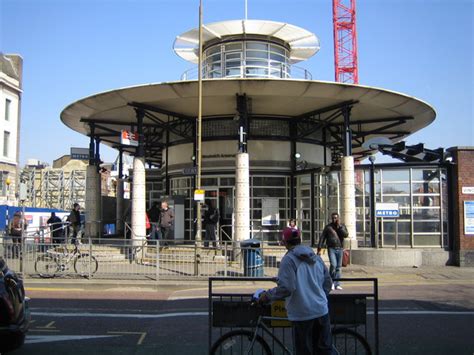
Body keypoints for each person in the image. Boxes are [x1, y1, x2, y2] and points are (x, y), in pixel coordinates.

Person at [256, 226, 333, 355]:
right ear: (300, 239)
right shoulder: (316, 257)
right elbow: (328, 282)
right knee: (324, 351)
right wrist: (318, 297)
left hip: (302, 314)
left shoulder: (289, 260)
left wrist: (266, 296)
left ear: (285, 242)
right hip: (321, 311)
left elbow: (287, 288)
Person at [317, 212, 348, 290]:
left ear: (338, 218)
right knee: (333, 265)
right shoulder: (328, 227)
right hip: (331, 248)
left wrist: (340, 227)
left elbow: (346, 235)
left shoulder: (342, 226)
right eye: (333, 218)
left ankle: (337, 283)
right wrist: (319, 248)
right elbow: (322, 237)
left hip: (340, 248)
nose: (334, 219)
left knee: (339, 267)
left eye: (336, 218)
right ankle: (331, 282)